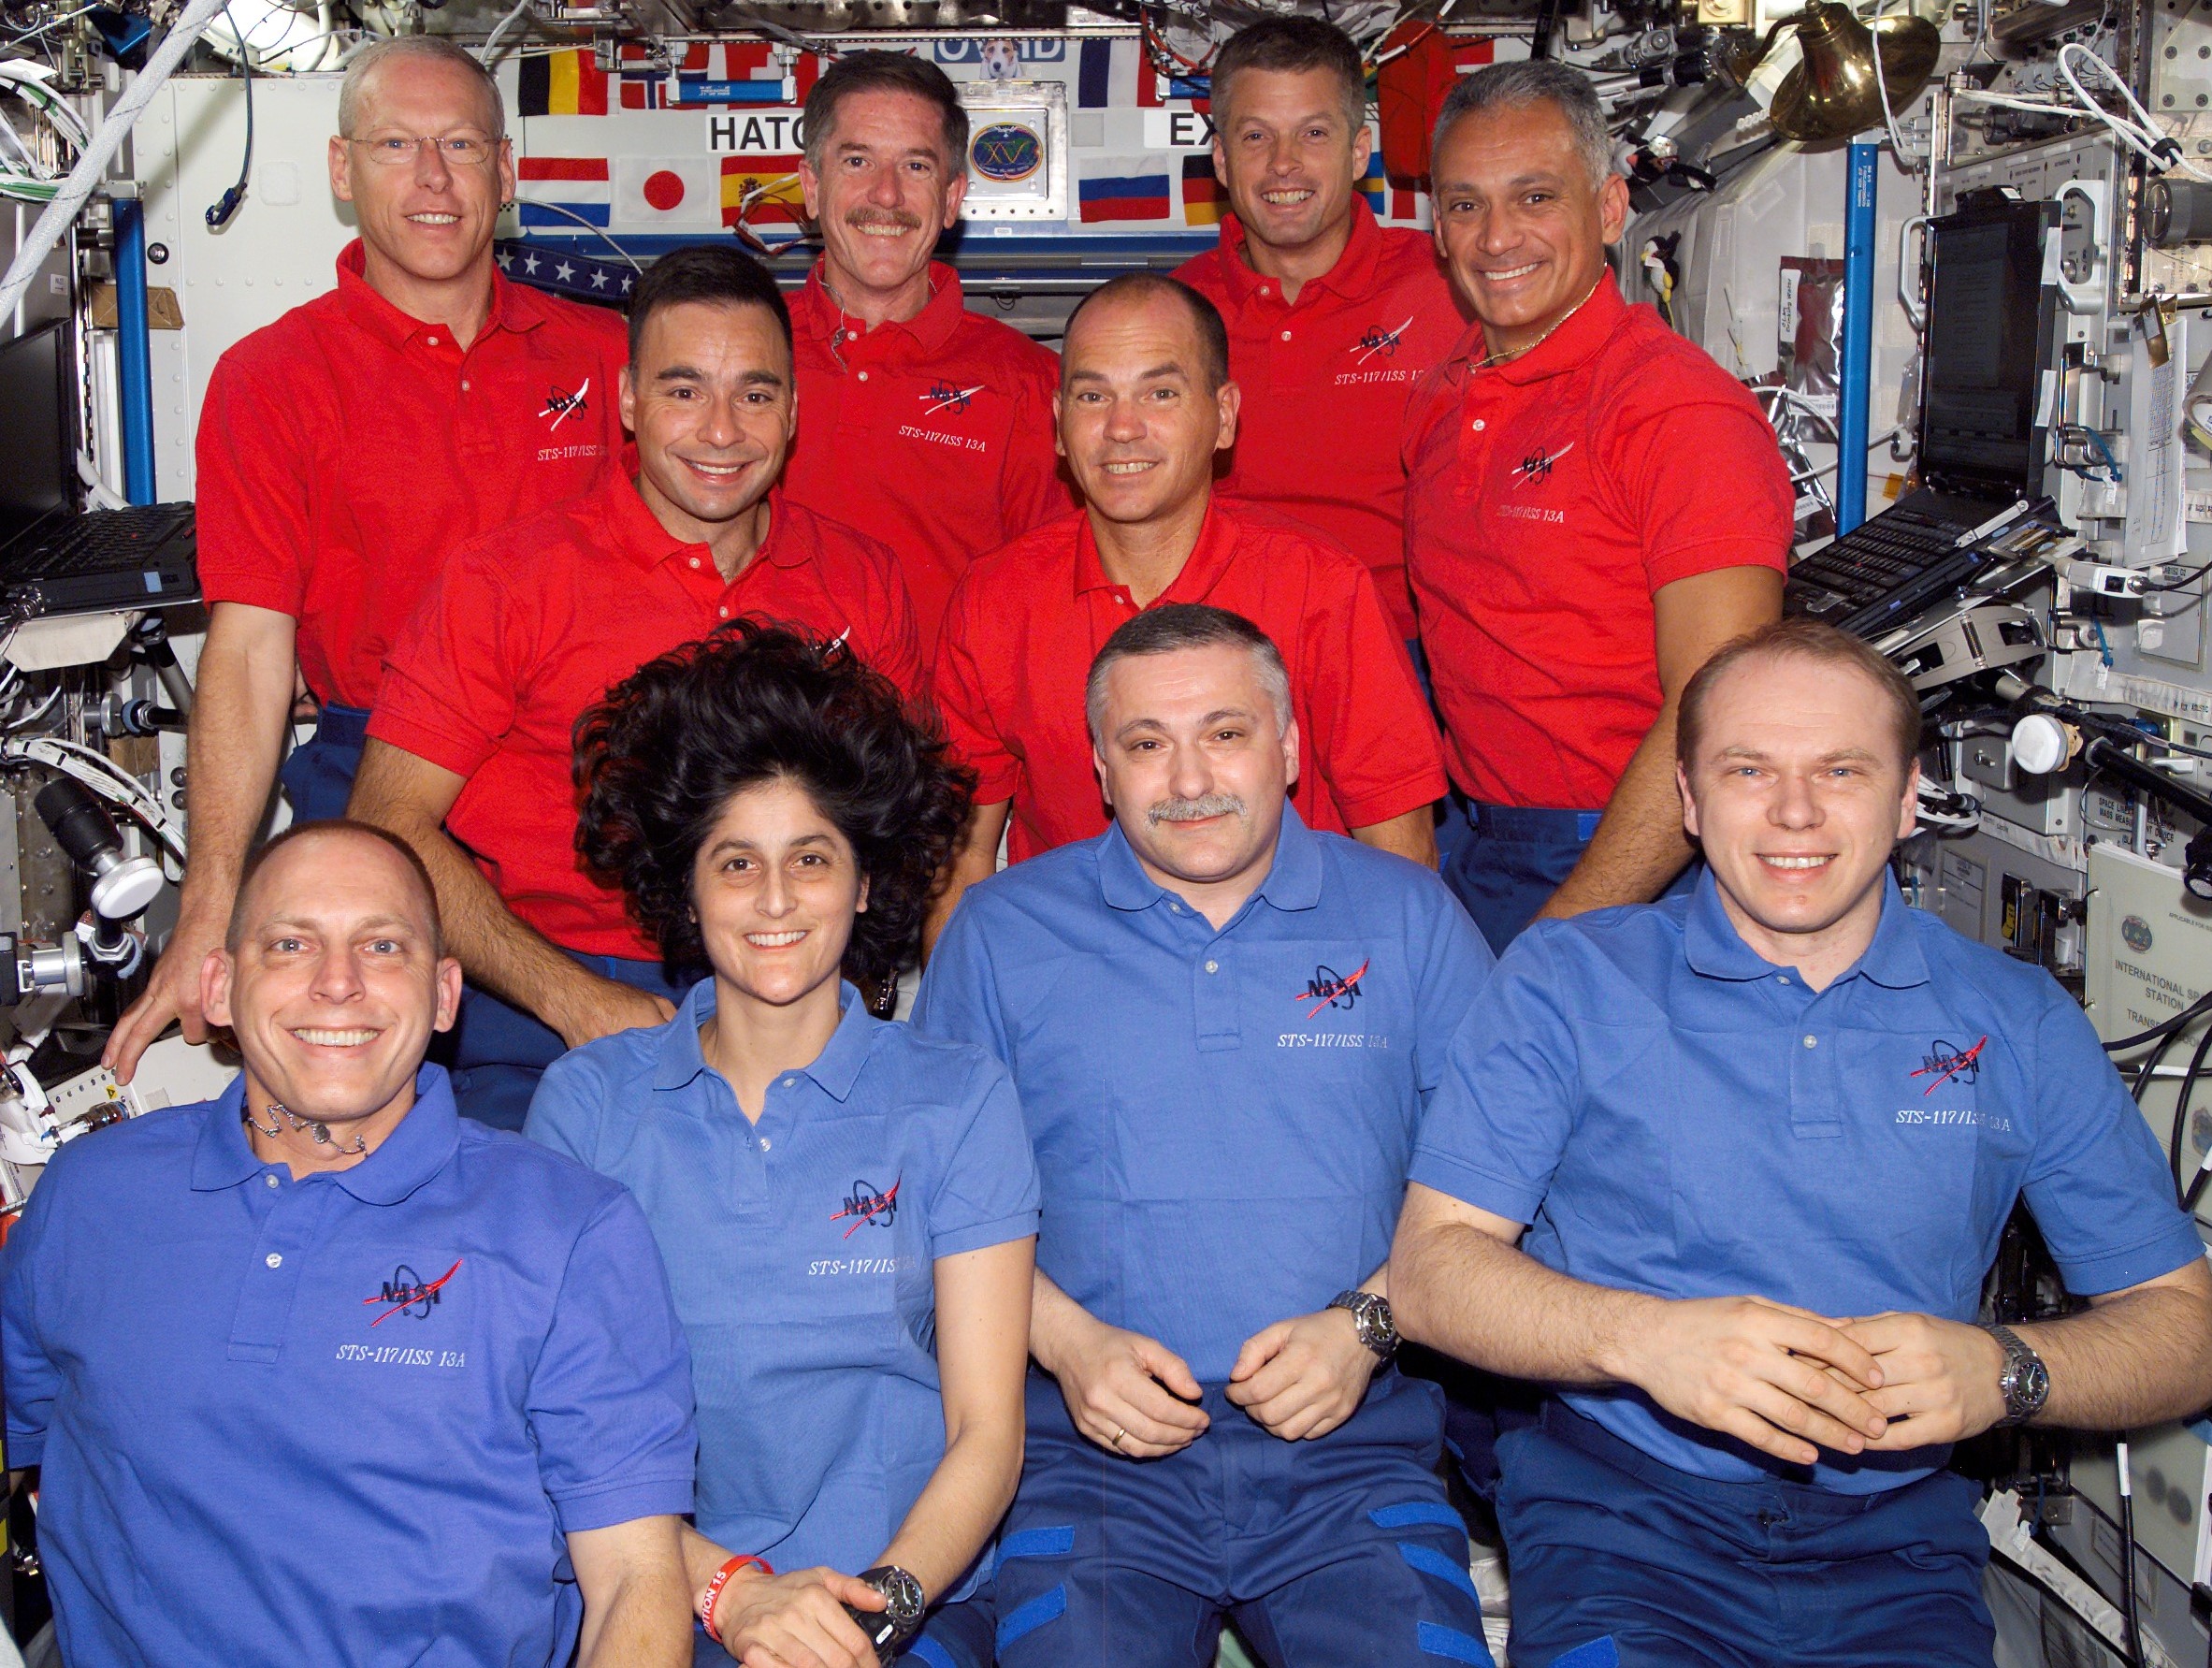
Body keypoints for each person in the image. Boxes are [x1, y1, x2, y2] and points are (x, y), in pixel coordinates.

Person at [1389, 619, 2212, 1668]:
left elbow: (2183, 1331)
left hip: (1899, 1548)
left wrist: (2009, 1370)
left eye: (1839, 769)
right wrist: (1650, 1341)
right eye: (1747, 770)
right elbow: (1429, 1272)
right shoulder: (1567, 980)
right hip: (1624, 1526)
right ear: (1687, 800)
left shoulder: (2016, 1020)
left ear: (1908, 798)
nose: (1793, 812)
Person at [916, 604, 1496, 1668]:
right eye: (1146, 744)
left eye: (1224, 733)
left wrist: (1367, 1323)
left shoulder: (1410, 922)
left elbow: (1499, 1195)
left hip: (1351, 1460)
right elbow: (927, 1207)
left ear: (1287, 747)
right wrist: (1062, 1341)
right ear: (1099, 768)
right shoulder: (1001, 935)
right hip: (1084, 1463)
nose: (1187, 779)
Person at [3, 820, 699, 1668]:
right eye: (291, 943)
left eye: (382, 945)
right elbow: (24, 1453)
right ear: (218, 987)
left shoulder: (569, 1231)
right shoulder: (89, 1195)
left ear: (446, 995)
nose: (338, 983)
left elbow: (634, 1581)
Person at [104, 36, 629, 1084]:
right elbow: (252, 651)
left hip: (597, 790)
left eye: (460, 146)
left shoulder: (607, 357)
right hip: (376, 780)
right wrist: (210, 905)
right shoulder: (273, 380)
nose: (433, 179)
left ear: (506, 171)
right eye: (396, 145)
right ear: (344, 173)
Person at [528, 623, 1036, 1668]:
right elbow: (560, 1434)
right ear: (689, 889)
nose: (771, 900)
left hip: (906, 1604)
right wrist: (733, 1594)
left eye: (810, 860)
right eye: (735, 863)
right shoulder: (587, 1106)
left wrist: (874, 1611)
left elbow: (989, 1429)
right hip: (666, 1594)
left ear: (862, 884)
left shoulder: (958, 1099)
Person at [352, 245, 920, 1133]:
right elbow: (388, 823)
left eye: (756, 394)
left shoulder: (860, 579)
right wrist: (571, 999)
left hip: (793, 983)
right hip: (543, 1001)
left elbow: (897, 825)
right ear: (625, 401)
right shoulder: (507, 581)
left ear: (795, 409)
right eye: (684, 390)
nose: (722, 431)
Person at [926, 274, 1446, 950]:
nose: (1121, 428)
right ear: (1057, 423)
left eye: (1159, 393)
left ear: (1223, 415)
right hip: (1076, 980)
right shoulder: (995, 602)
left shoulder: (1319, 587)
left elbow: (1400, 854)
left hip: (1291, 975)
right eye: (1092, 396)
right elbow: (962, 863)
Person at [1405, 60, 1793, 954]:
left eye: (1535, 197)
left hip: (1638, 857)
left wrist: (1566, 938)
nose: (1497, 237)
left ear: (1610, 210)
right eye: (1465, 205)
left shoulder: (1675, 413)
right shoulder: (1441, 394)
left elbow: (1720, 711)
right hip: (1481, 841)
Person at [1174, 17, 1465, 647]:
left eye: (1312, 133)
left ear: (1357, 151)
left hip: (1404, 652)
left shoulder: (1453, 292)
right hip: (1219, 656)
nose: (1284, 164)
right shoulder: (1168, 313)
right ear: (1220, 159)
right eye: (1256, 136)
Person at [783, 51, 1071, 651]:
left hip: (942, 740)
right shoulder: (739, 356)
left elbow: (1054, 603)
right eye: (857, 160)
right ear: (812, 186)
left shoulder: (1030, 384)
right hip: (750, 736)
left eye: (915, 166)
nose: (885, 195)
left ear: (950, 198)